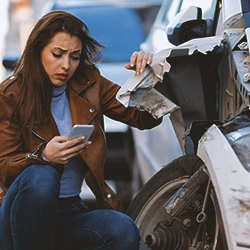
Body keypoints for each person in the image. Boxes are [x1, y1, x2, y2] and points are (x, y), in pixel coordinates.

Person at [0, 10, 162, 250]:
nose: (66, 65)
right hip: (19, 218)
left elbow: (144, 119)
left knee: (122, 229)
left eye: (74, 57)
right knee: (42, 175)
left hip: (69, 211)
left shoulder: (89, 83)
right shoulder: (11, 94)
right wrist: (44, 156)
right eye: (57, 54)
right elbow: (3, 166)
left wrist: (148, 77)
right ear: (37, 51)